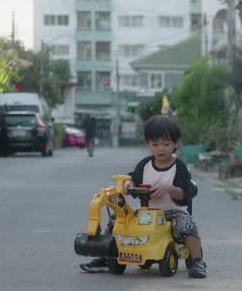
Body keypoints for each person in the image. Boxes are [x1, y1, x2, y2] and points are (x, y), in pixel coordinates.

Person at [80, 116, 208, 278]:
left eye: (166, 144)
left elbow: (184, 192)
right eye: (155, 144)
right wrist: (128, 185)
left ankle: (197, 261)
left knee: (187, 224)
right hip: (145, 213)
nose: (160, 148)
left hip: (171, 212)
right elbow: (133, 178)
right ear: (148, 144)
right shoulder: (145, 165)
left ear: (175, 144)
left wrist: (169, 189)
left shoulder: (179, 167)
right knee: (116, 221)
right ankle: (107, 255)